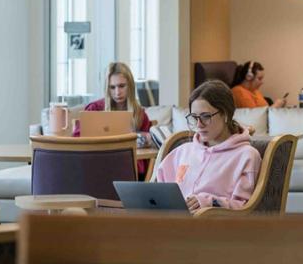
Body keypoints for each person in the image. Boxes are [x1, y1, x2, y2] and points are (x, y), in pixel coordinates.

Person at [156, 80, 261, 212]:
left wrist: (209, 203)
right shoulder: (182, 151)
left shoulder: (247, 155)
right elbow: (156, 190)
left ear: (226, 115)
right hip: (170, 223)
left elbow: (243, 207)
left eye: (205, 116)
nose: (199, 125)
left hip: (212, 228)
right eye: (194, 117)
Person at [74, 61, 152, 175]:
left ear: (130, 85)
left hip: (130, 169)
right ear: (107, 88)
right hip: (95, 166)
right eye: (112, 87)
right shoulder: (94, 109)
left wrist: (145, 139)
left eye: (121, 86)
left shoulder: (139, 114)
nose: (117, 92)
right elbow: (76, 140)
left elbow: (147, 150)